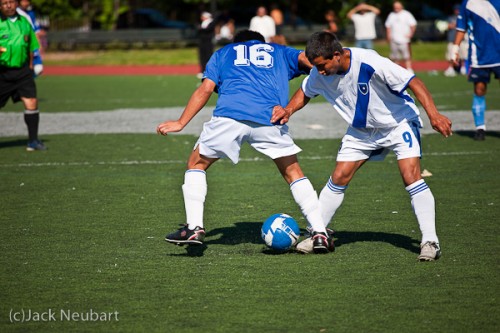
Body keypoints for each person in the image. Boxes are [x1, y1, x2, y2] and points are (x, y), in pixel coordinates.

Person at [271, 32, 453, 261]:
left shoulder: (370, 61)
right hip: (361, 131)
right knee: (339, 176)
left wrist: (434, 115)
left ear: (337, 55)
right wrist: (287, 110)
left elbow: (414, 81)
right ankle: (319, 233)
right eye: (316, 67)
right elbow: (305, 92)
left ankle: (430, 241)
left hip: (398, 123)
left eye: (322, 65)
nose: (320, 71)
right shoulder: (320, 73)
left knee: (411, 176)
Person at [157, 30, 332, 253]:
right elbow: (310, 61)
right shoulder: (279, 51)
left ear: (236, 43)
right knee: (293, 172)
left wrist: (181, 122)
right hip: (270, 116)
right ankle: (319, 233)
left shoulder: (223, 53)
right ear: (261, 42)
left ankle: (194, 228)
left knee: (196, 164)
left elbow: (206, 88)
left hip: (230, 116)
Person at [0, 0, 46, 151]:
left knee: (31, 102)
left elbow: (31, 45)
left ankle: (33, 141)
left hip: (22, 72)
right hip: (2, 73)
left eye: (11, 2)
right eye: (4, 3)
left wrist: (31, 65)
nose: (8, 5)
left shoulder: (25, 22)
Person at [451, 0, 500, 141]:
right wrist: (455, 49)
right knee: (479, 89)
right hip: (478, 56)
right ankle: (480, 128)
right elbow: (461, 27)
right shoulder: (468, 3)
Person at [385, 1, 417, 73]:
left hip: (404, 40)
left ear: (401, 6)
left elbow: (413, 24)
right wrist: (388, 36)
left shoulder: (407, 14)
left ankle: (409, 69)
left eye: (398, 6)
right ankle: (396, 70)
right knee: (395, 56)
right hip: (394, 39)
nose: (396, 8)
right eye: (395, 6)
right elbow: (388, 26)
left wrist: (411, 34)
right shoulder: (391, 15)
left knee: (406, 55)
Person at [17, 0, 42, 76]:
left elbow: (35, 31)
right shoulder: (15, 13)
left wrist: (38, 43)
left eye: (27, 1)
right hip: (19, 45)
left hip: (30, 44)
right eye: (23, 1)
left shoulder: (30, 14)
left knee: (38, 69)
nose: (25, 3)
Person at [444, 4, 468, 77]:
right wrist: (453, 25)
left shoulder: (463, 18)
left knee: (463, 55)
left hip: (462, 40)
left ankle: (463, 68)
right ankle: (451, 68)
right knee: (451, 54)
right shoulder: (450, 18)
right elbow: (447, 26)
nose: (457, 11)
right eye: (456, 9)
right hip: (452, 39)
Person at [197, 11, 216, 79]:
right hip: (202, 42)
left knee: (208, 56)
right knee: (202, 56)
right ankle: (202, 70)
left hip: (208, 42)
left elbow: (208, 30)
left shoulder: (211, 22)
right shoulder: (202, 23)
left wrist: (202, 29)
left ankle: (209, 71)